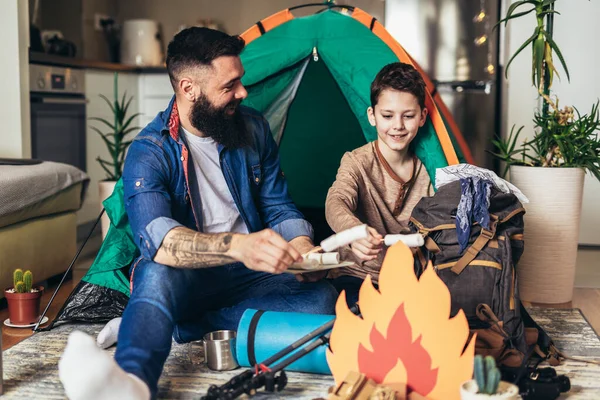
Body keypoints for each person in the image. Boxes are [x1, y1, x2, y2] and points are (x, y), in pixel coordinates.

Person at [58, 27, 338, 400]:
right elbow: (162, 243)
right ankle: (131, 383)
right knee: (155, 275)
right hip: (186, 276)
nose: (243, 92)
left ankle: (175, 326)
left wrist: (302, 248)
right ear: (189, 88)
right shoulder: (148, 151)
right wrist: (238, 246)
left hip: (248, 275)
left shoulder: (253, 129)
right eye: (230, 86)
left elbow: (278, 205)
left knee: (321, 298)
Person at [325, 62, 434, 306]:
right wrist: (353, 231)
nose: (397, 126)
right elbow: (336, 201)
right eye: (387, 116)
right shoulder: (356, 162)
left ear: (422, 117)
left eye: (408, 116)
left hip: (410, 279)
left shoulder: (429, 170)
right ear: (372, 116)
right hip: (357, 276)